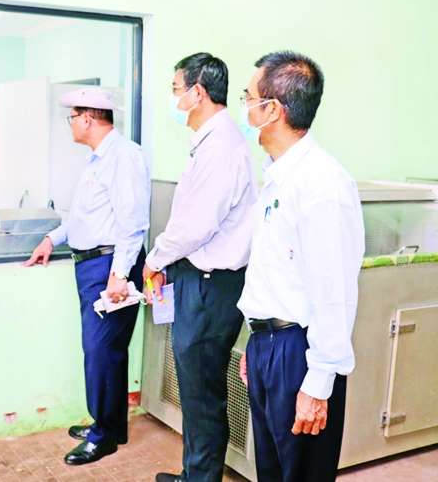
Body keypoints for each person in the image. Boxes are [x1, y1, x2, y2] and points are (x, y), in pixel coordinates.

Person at [236, 51, 364, 482]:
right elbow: (274, 272)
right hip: (270, 346)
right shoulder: (278, 177)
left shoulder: (322, 184)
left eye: (248, 97)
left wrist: (318, 382)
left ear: (272, 109)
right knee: (272, 471)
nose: (244, 107)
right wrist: (256, 344)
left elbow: (334, 292)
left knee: (302, 472)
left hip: (301, 352)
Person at [144, 53, 256, 482]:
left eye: (176, 89)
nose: (173, 99)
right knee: (194, 389)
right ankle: (194, 475)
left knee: (203, 394)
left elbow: (195, 226)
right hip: (199, 279)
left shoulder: (221, 147)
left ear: (197, 92)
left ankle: (201, 479)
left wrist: (155, 259)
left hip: (212, 286)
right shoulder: (210, 142)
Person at [24, 87, 150, 466]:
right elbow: (82, 217)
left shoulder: (124, 156)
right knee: (105, 352)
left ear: (88, 118)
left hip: (109, 266)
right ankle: (110, 425)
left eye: (73, 117)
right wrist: (52, 238)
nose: (71, 124)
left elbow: (133, 223)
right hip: (93, 265)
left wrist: (119, 275)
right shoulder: (97, 160)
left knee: (100, 352)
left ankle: (103, 436)